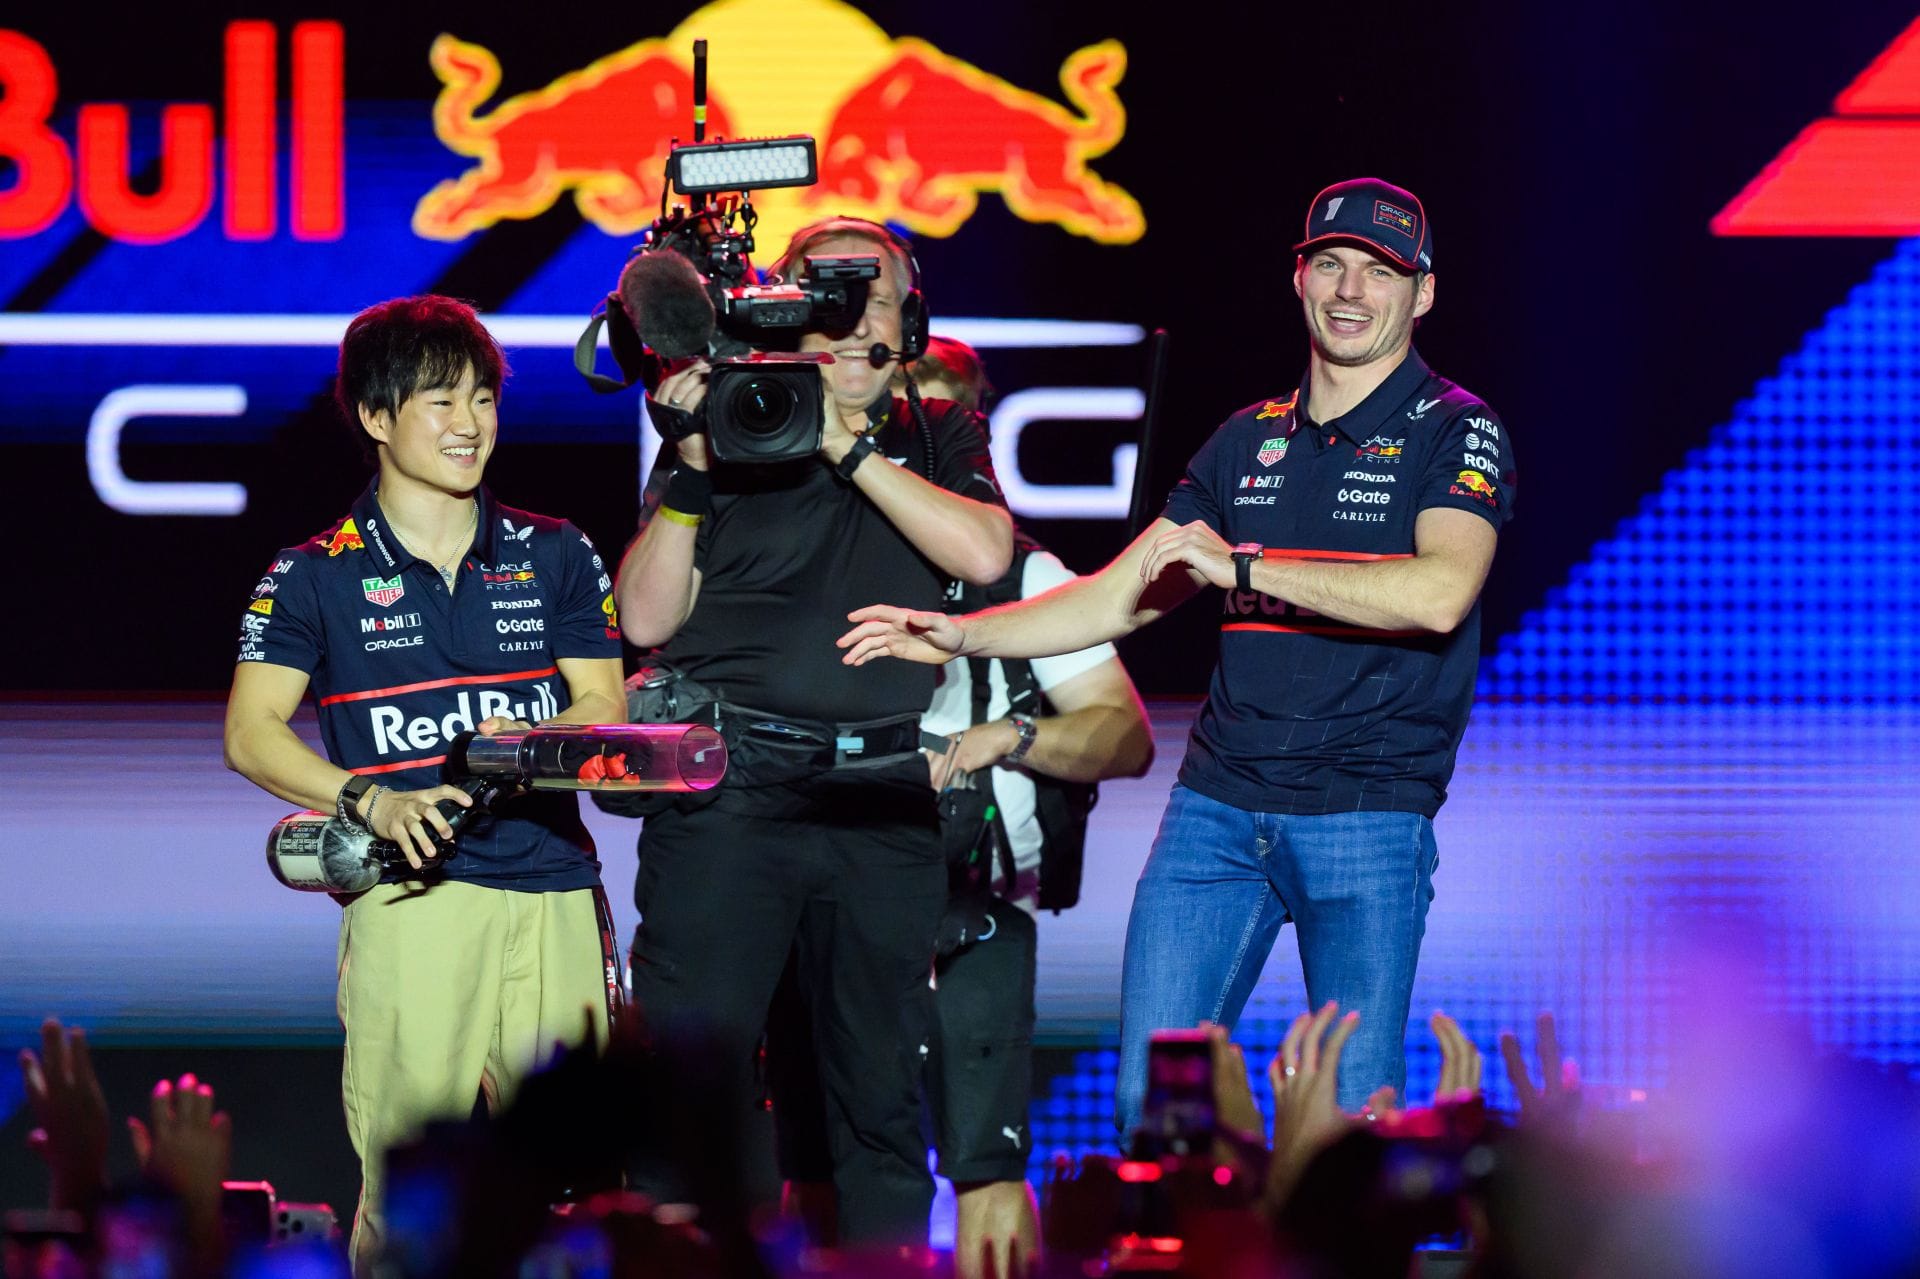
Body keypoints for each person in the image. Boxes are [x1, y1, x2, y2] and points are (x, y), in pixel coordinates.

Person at [839, 178, 1517, 1125]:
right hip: (1216, 811)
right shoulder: (1247, 441)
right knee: (1150, 1110)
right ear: (1299, 277)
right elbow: (1119, 598)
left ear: (1424, 293)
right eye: (1330, 264)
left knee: (1352, 1122)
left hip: (1367, 810)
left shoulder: (1459, 428)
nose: (1351, 290)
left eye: (1380, 272)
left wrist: (1240, 561)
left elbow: (1440, 595)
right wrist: (963, 633)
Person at [612, 219, 1014, 1245]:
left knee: (877, 1100)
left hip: (879, 794)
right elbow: (647, 620)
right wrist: (694, 462)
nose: (838, 322)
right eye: (814, 299)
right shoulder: (734, 423)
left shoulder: (936, 435)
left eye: (863, 299)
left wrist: (844, 443)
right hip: (730, 787)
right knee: (688, 1089)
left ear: (906, 322)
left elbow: (982, 552)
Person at [222, 295, 626, 1271]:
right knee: (412, 1203)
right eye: (440, 400)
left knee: (577, 1189)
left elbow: (603, 702)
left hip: (555, 892)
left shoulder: (557, 550)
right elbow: (249, 733)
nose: (469, 422)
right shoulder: (313, 573)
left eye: (483, 397)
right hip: (412, 900)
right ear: (373, 416)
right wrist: (372, 798)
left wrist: (521, 746)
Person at [772, 338, 1155, 1275]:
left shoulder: (1023, 576)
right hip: (822, 904)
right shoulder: (797, 554)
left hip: (972, 903)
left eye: (941, 418)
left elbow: (1125, 735)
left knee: (987, 1167)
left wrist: (1005, 737)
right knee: (817, 1165)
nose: (917, 451)